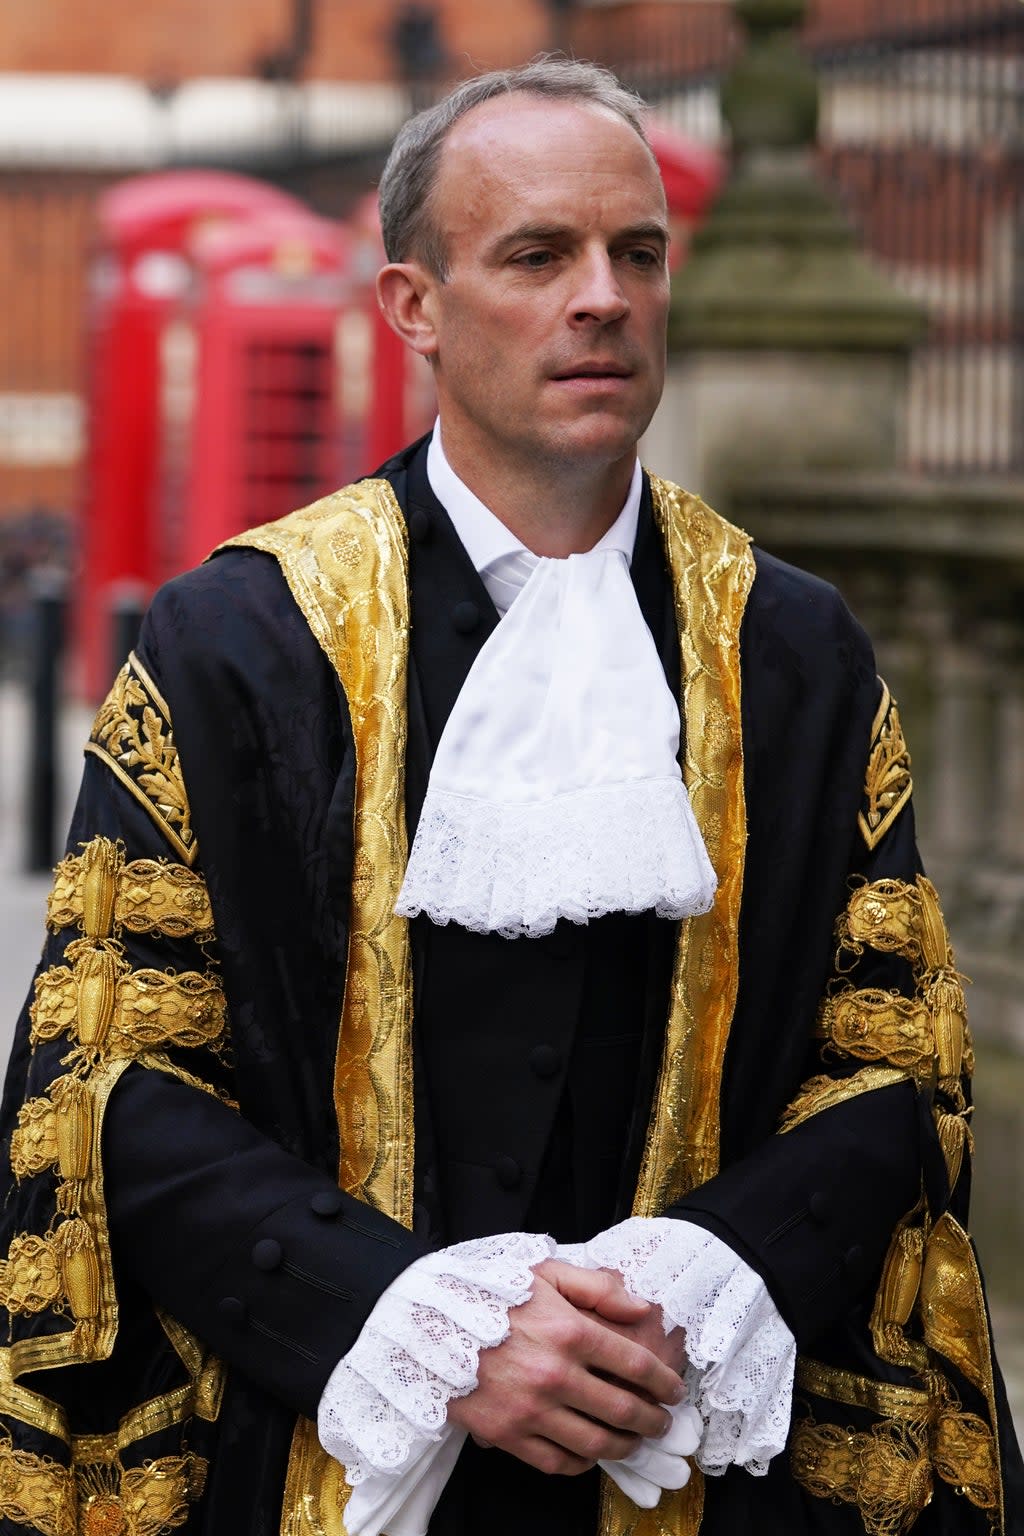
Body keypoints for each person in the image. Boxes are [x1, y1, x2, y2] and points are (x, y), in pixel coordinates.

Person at [0, 56, 1020, 1536]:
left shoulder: (793, 647)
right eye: (538, 255)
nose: (601, 296)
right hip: (329, 1454)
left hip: (697, 1459)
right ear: (414, 305)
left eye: (638, 253)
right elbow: (108, 1081)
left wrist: (704, 1282)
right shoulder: (240, 641)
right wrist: (422, 1321)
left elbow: (898, 1058)